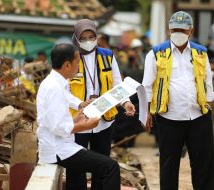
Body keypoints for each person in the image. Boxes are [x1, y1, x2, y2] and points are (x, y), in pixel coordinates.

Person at [142, 11, 214, 190]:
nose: (178, 33)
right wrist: (146, 112)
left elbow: (207, 82)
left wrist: (210, 107)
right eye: (175, 29)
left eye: (182, 30)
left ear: (190, 30)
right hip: (169, 117)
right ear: (168, 31)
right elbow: (146, 86)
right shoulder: (156, 53)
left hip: (199, 116)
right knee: (168, 164)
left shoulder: (201, 52)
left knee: (203, 164)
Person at [36, 43, 120, 190]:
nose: (79, 65)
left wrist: (76, 119)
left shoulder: (57, 82)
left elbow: (55, 121)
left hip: (61, 146)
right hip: (58, 150)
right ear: (67, 65)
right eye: (77, 62)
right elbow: (58, 128)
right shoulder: (54, 87)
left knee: (105, 165)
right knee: (110, 166)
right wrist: (86, 125)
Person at [67, 19, 135, 190]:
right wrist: (80, 103)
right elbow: (62, 91)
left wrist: (125, 102)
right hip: (79, 121)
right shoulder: (69, 57)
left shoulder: (107, 55)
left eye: (92, 37)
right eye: (84, 38)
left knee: (102, 164)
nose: (89, 41)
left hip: (104, 119)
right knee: (76, 166)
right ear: (76, 38)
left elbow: (117, 84)